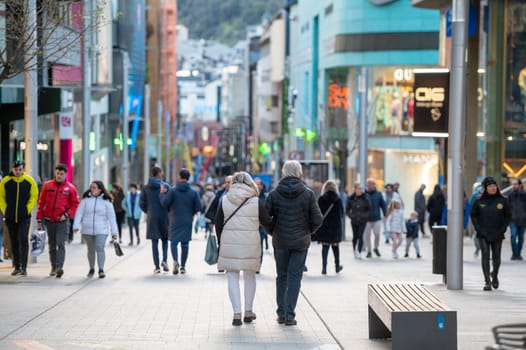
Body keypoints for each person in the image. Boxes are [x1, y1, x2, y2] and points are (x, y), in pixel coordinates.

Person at [265, 160, 322, 326]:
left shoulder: (274, 194)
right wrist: (307, 232)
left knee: (281, 276)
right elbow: (318, 219)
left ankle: (281, 313)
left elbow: (266, 218)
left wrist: (272, 231)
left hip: (280, 240)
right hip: (300, 242)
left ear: (283, 172)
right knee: (295, 277)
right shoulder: (308, 193)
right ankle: (290, 314)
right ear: (299, 173)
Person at [214, 172, 272, 326]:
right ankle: (248, 311)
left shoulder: (225, 200)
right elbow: (267, 221)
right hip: (250, 243)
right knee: (249, 276)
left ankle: (236, 313)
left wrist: (221, 241)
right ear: (250, 183)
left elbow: (218, 223)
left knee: (232, 276)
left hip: (229, 242)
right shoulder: (255, 201)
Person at [36, 163, 80, 278]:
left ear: (65, 174)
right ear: (55, 173)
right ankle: (53, 267)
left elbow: (75, 204)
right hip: (49, 220)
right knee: (51, 244)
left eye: (61, 174)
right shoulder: (47, 186)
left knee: (60, 243)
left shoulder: (70, 188)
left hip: (62, 221)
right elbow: (41, 203)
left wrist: (67, 214)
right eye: (57, 173)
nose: (59, 175)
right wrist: (39, 219)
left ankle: (59, 267)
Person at [470, 176, 511, 291]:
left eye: (494, 186)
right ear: (485, 188)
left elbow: (508, 216)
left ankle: (495, 275)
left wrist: (503, 228)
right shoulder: (479, 200)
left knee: (496, 257)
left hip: (497, 233)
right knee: (485, 255)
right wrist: (478, 228)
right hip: (483, 233)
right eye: (490, 186)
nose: (493, 188)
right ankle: (487, 281)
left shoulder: (503, 200)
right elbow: (473, 215)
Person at [0, 160, 39, 276]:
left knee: (23, 238)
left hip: (24, 216)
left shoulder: (29, 181)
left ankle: (24, 266)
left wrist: (27, 209)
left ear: (23, 169)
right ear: (13, 169)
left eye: (20, 169)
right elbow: (1, 197)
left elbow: (34, 196)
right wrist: (5, 209)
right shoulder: (5, 181)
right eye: (16, 169)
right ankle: (16, 266)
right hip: (10, 216)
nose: (18, 172)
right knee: (14, 241)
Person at [159, 168, 201, 275]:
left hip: (174, 219)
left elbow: (165, 203)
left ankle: (175, 261)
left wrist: (162, 194)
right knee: (185, 243)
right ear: (188, 178)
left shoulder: (172, 191)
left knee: (173, 242)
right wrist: (190, 213)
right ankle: (183, 266)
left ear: (179, 177)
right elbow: (198, 207)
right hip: (187, 220)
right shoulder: (193, 192)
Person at [73, 181, 119, 278]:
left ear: (100, 189)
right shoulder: (85, 200)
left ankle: (101, 270)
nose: (92, 189)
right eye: (91, 187)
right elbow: (79, 213)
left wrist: (114, 232)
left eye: (94, 187)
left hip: (101, 230)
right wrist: (76, 226)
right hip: (87, 229)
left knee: (100, 248)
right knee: (90, 250)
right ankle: (91, 268)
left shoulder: (107, 201)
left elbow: (112, 217)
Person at [140, 166, 170, 273]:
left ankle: (156, 266)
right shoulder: (165, 186)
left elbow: (141, 203)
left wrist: (149, 211)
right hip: (164, 216)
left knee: (154, 242)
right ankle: (165, 260)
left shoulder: (145, 188)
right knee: (165, 240)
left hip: (152, 217)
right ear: (160, 173)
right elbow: (169, 201)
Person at [315, 180, 344, 274]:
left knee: (325, 246)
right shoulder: (338, 199)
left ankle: (324, 268)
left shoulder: (321, 199)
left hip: (325, 226)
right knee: (335, 246)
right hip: (335, 226)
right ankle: (337, 266)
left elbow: (317, 213)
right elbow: (342, 214)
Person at [346, 182, 371, 259]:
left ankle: (359, 252)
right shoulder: (351, 198)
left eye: (361, 188)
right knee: (355, 236)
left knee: (360, 236)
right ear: (355, 189)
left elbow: (369, 209)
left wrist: (365, 216)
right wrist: (351, 216)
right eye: (359, 188)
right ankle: (354, 250)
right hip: (354, 220)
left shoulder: (366, 197)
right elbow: (347, 210)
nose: (361, 190)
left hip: (362, 220)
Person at [364, 178, 387, 258]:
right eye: (370, 184)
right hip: (366, 219)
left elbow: (383, 205)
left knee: (377, 234)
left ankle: (376, 248)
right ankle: (369, 251)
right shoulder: (364, 194)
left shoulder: (378, 194)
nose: (372, 185)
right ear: (367, 185)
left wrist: (385, 213)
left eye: (373, 184)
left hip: (377, 218)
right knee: (367, 236)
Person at [508, 179, 526, 260]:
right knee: (513, 236)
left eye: (515, 184)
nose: (514, 186)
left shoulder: (524, 195)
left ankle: (518, 253)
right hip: (513, 220)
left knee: (521, 238)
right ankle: (514, 253)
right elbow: (507, 207)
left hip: (523, 220)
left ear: (520, 185)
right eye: (513, 184)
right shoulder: (510, 195)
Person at [254, 178, 269, 259]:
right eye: (254, 184)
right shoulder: (248, 197)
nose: (256, 186)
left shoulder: (266, 198)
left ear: (262, 186)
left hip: (261, 227)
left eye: (258, 184)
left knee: (259, 246)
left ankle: (257, 266)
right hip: (250, 227)